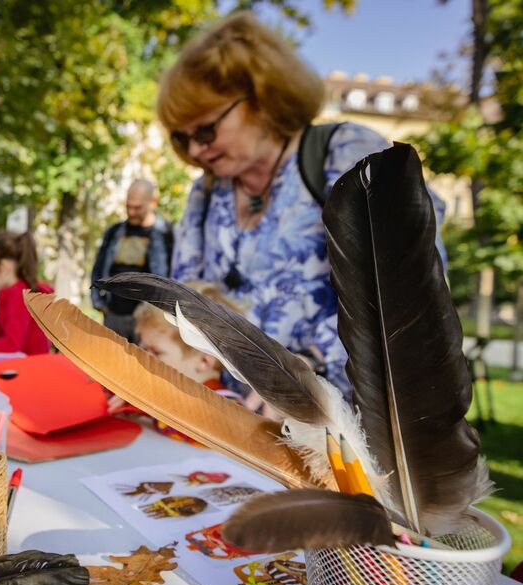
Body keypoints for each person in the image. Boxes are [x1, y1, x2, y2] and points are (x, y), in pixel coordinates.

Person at [157, 12, 447, 396]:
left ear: (259, 98)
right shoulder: (206, 191)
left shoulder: (347, 155)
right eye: (182, 139)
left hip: (344, 421)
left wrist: (307, 371)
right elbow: (186, 303)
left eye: (206, 130)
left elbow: (408, 297)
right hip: (231, 416)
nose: (195, 149)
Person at [108, 289, 243, 443]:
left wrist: (149, 407)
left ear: (204, 362)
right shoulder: (168, 393)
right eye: (144, 348)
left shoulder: (228, 410)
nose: (144, 358)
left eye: (157, 353)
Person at [91, 179, 173, 342]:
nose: (131, 212)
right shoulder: (114, 232)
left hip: (149, 320)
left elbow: (173, 277)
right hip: (114, 316)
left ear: (153, 202)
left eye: (137, 207)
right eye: (128, 206)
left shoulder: (167, 235)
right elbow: (98, 269)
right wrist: (99, 303)